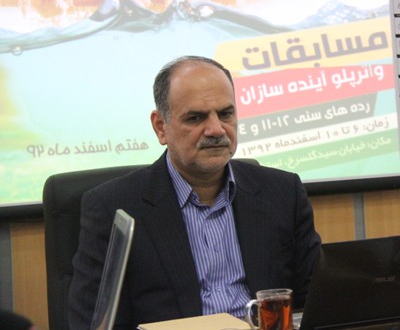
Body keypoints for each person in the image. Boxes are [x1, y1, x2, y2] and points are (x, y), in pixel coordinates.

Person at [68, 56, 321, 328]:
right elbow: (92, 322)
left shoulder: (283, 193)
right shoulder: (114, 207)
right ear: (161, 127)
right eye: (196, 118)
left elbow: (318, 303)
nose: (216, 129)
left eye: (225, 114)